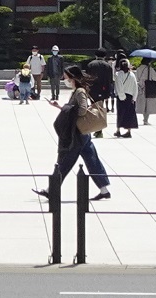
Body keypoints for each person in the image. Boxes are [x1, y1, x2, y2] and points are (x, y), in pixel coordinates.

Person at [36, 60, 113, 204]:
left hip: (77, 133)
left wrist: (66, 109)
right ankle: (104, 190)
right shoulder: (77, 91)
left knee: (64, 161)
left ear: (72, 77)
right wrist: (60, 107)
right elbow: (72, 111)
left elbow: (82, 109)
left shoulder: (80, 91)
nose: (64, 79)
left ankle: (50, 190)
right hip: (82, 133)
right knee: (92, 160)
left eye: (66, 77)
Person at [113, 56, 139, 137]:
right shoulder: (132, 75)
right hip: (130, 97)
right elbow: (135, 87)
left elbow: (119, 86)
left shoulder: (118, 74)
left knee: (120, 113)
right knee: (129, 114)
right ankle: (128, 131)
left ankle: (118, 130)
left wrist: (121, 96)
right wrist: (134, 98)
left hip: (122, 97)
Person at [140, 59, 156, 125]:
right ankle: (145, 120)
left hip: (140, 88)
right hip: (148, 88)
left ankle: (144, 117)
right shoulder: (149, 69)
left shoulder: (138, 69)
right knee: (148, 105)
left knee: (142, 104)